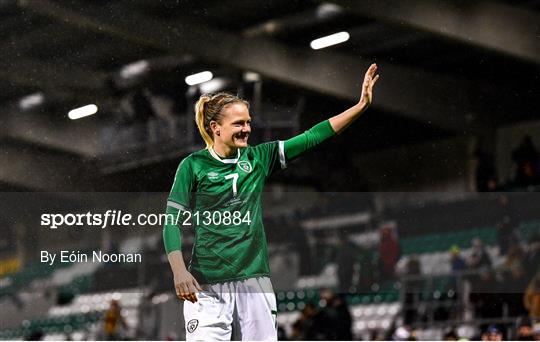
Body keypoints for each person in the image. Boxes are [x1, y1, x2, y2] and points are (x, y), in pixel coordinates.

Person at [163, 64, 380, 340]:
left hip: (254, 280)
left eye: (248, 122)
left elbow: (312, 137)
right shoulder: (192, 166)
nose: (247, 129)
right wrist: (179, 270)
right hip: (206, 283)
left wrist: (360, 106)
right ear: (215, 127)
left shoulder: (259, 157)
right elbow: (171, 220)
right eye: (238, 123)